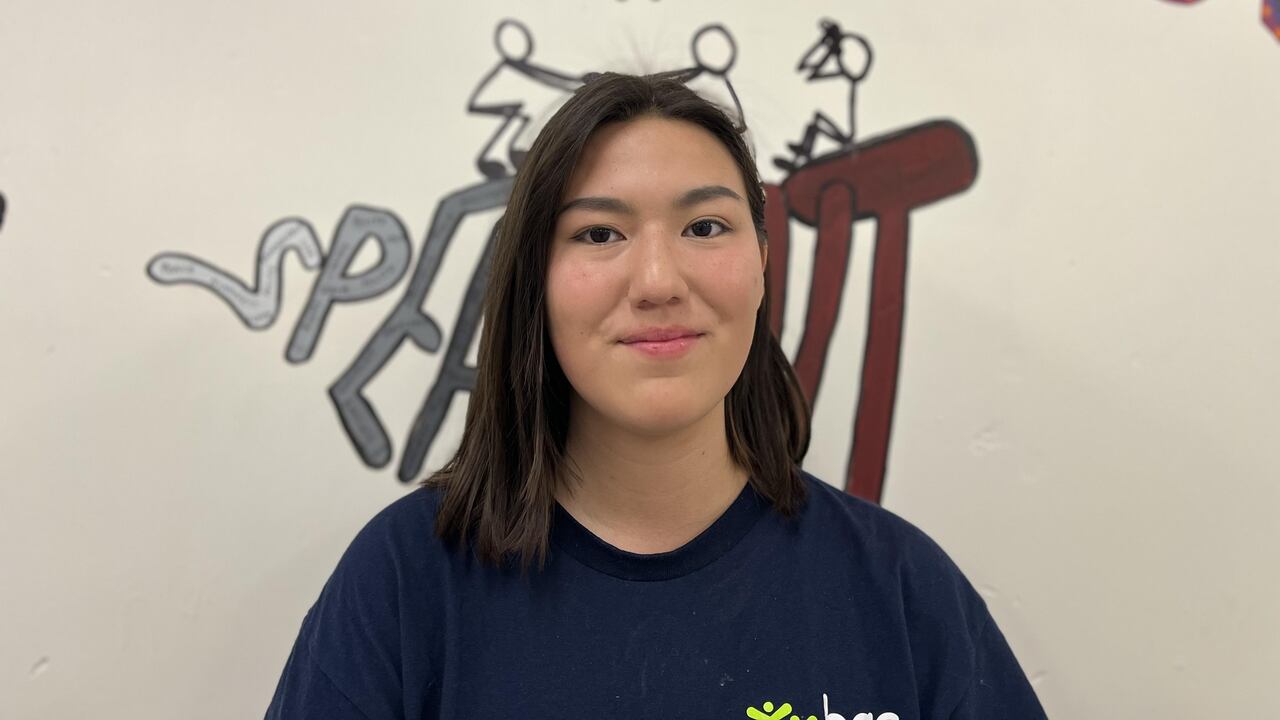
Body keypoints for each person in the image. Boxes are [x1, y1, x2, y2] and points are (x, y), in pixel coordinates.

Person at [265, 72, 1046, 719]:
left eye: (705, 227)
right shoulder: (406, 581)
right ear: (533, 278)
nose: (658, 282)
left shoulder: (899, 591)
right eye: (599, 234)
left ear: (762, 262)